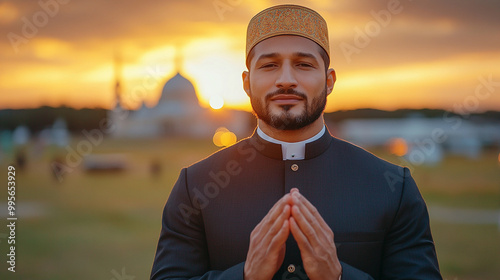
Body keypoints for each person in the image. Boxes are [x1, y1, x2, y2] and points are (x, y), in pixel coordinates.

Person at [151, 4, 442, 280]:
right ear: (246, 82)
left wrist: (338, 276)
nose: (286, 80)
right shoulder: (196, 186)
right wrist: (245, 275)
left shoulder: (391, 186)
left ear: (329, 81)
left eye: (303, 64)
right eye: (269, 66)